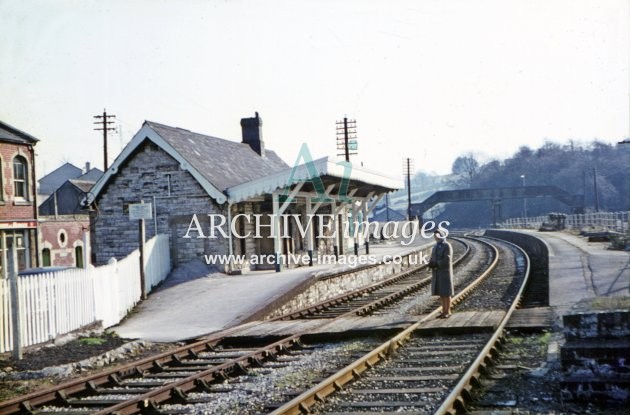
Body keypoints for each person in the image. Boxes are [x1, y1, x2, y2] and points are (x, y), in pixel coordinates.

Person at [428, 228, 454, 318]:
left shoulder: (446, 245)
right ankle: (443, 311)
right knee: (441, 293)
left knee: (446, 293)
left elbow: (447, 259)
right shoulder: (435, 246)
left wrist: (437, 263)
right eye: (435, 235)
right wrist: (431, 262)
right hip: (437, 272)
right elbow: (433, 257)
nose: (436, 237)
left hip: (445, 272)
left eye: (438, 235)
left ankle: (448, 311)